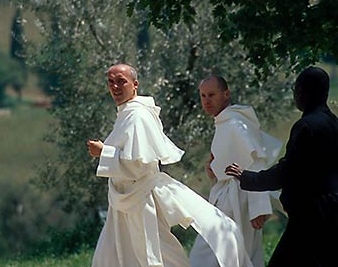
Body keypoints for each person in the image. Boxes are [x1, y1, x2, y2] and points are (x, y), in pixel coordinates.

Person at [87, 63, 252, 267]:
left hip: (140, 200)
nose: (115, 87)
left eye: (121, 81)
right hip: (122, 201)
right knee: (112, 255)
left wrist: (104, 152)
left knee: (155, 256)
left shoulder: (138, 115)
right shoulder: (126, 113)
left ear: (135, 84)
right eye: (111, 82)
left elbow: (140, 165)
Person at [225, 66, 338, 267]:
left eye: (297, 90)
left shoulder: (306, 126)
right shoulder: (337, 125)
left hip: (313, 219)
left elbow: (288, 171)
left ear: (303, 92)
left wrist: (248, 177)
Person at [189, 75, 283, 267]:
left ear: (226, 94)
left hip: (240, 201)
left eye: (212, 95)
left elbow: (256, 162)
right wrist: (214, 170)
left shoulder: (235, 125)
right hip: (227, 199)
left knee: (213, 257)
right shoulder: (225, 122)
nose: (207, 100)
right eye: (203, 96)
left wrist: (259, 208)